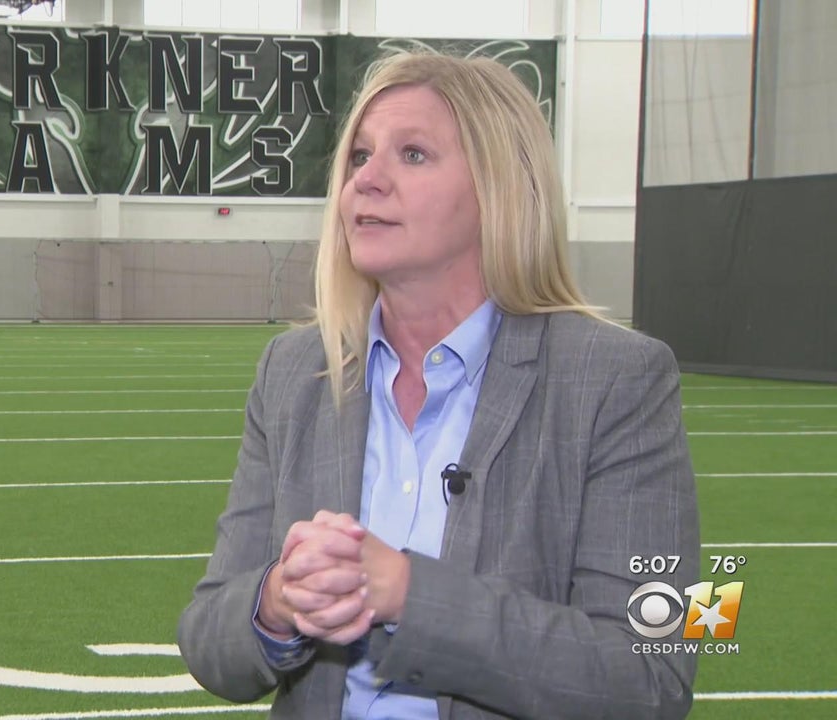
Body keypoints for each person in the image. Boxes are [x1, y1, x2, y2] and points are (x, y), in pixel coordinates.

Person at [176, 51, 700, 719]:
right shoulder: (293, 371)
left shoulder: (625, 379)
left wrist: (409, 594)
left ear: (499, 189)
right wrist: (275, 604)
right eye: (359, 156)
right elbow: (207, 637)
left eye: (414, 154)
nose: (367, 180)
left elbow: (657, 674)